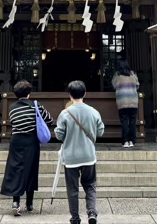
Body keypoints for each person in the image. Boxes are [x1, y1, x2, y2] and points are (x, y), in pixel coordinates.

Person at [0, 80, 53, 216]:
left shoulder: (12, 107)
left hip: (16, 141)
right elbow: (49, 119)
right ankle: (29, 204)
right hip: (31, 141)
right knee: (31, 169)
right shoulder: (35, 106)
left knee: (16, 169)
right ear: (29, 93)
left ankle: (15, 202)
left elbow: (13, 122)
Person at [55, 80, 105, 224]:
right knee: (90, 185)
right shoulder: (93, 112)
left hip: (70, 158)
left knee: (72, 189)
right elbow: (100, 132)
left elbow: (59, 135)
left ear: (70, 95)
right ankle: (91, 212)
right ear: (85, 94)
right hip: (89, 155)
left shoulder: (64, 113)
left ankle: (75, 218)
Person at [112, 60, 139, 148]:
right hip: (133, 102)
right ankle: (132, 141)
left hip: (122, 102)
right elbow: (137, 85)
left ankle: (125, 141)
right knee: (132, 122)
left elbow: (114, 85)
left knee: (124, 122)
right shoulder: (133, 75)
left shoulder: (117, 76)